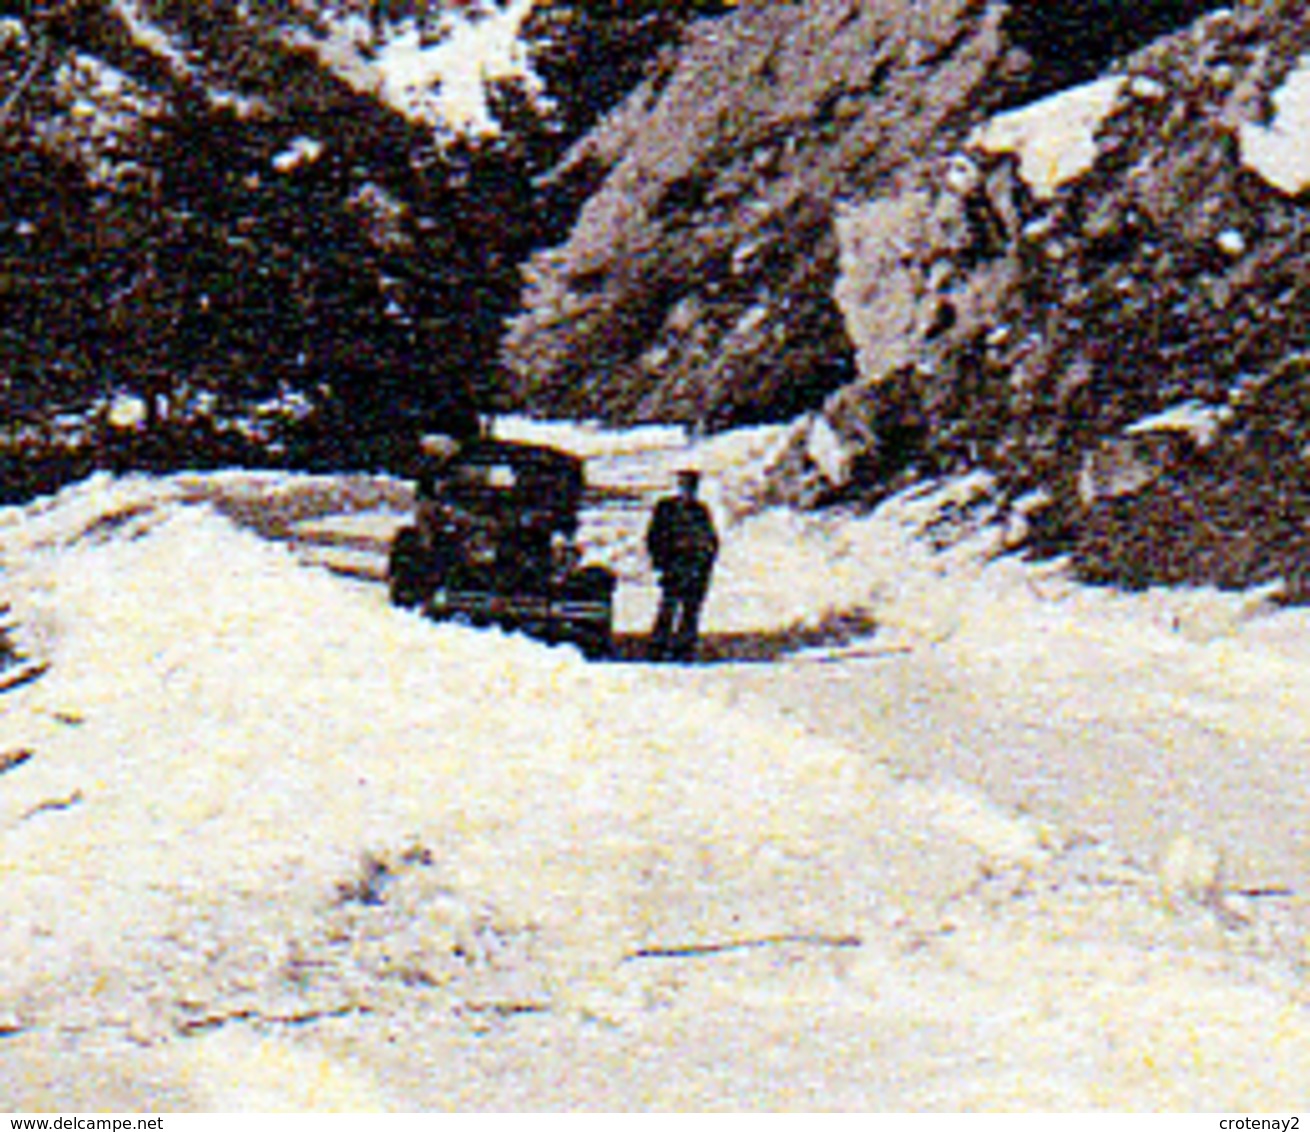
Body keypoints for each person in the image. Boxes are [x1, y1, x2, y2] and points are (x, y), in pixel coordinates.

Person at [645, 468, 719, 661]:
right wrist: (660, 562)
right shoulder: (666, 508)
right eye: (685, 486)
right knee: (668, 606)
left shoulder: (700, 510)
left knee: (691, 609)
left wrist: (707, 562)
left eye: (692, 487)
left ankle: (685, 648)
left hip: (696, 566)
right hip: (674, 564)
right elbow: (654, 537)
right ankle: (658, 647)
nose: (688, 491)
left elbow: (711, 538)